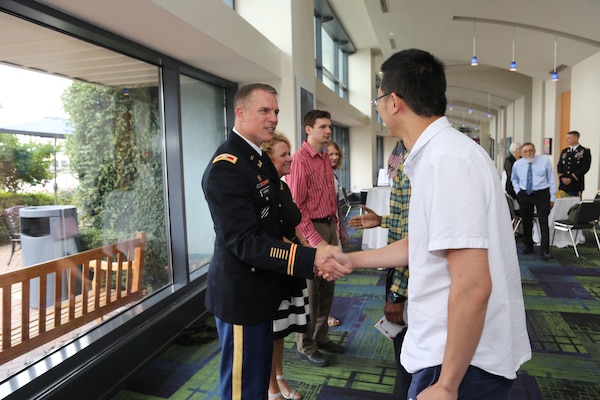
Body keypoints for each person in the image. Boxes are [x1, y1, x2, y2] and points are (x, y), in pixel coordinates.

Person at [335, 49, 531, 400]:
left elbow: (473, 284)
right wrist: (353, 260)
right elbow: (424, 242)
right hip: (451, 348)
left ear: (394, 101)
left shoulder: (446, 161)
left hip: (458, 359)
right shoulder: (441, 154)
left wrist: (446, 385)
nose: (378, 107)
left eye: (378, 98)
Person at [201, 83, 350, 399]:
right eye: (264, 111)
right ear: (240, 113)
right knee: (243, 386)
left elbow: (284, 213)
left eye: (276, 112)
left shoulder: (256, 158)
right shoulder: (226, 168)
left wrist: (319, 245)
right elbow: (246, 242)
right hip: (241, 293)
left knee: (257, 377)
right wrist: (311, 259)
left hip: (262, 286)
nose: (273, 118)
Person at [348, 139, 412, 400]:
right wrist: (381, 221)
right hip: (402, 273)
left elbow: (416, 239)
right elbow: (404, 222)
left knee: (410, 358)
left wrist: (397, 294)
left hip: (409, 279)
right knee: (405, 355)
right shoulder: (404, 153)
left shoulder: (417, 161)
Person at [287, 110, 345, 367]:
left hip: (328, 227)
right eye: (323, 126)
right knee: (311, 292)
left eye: (329, 126)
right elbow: (296, 207)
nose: (328, 131)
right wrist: (314, 240)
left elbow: (330, 199)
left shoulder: (323, 158)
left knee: (327, 287)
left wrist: (338, 229)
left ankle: (321, 337)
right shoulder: (300, 160)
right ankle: (306, 345)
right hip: (310, 231)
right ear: (308, 129)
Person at [262, 133, 307, 400]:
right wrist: (302, 254)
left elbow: (294, 224)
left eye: (290, 153)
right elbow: (268, 234)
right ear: (268, 158)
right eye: (284, 154)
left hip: (291, 264)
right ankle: (270, 388)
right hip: (275, 265)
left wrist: (307, 247)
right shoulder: (264, 190)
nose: (291, 158)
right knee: (272, 330)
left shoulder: (283, 186)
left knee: (282, 331)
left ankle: (279, 378)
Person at [511, 142, 556, 260]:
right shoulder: (517, 164)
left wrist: (552, 198)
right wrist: (518, 192)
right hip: (525, 194)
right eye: (525, 151)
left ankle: (545, 250)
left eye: (530, 150)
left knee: (543, 222)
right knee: (526, 222)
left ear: (534, 151)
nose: (528, 153)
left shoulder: (544, 161)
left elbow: (551, 180)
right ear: (521, 153)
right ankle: (528, 246)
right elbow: (514, 179)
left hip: (542, 193)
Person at [325, 140, 346, 328]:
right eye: (330, 154)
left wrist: (342, 230)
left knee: (332, 276)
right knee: (325, 275)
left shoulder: (334, 176)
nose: (334, 157)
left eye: (336, 154)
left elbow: (337, 207)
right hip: (322, 231)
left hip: (334, 228)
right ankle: (324, 316)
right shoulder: (319, 175)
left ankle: (325, 314)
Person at [557, 130, 592, 197]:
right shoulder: (565, 151)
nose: (567, 140)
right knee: (562, 205)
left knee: (574, 206)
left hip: (576, 184)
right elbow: (560, 165)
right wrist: (562, 177)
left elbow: (585, 167)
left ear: (576, 138)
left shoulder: (584, 151)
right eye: (567, 138)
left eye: (569, 138)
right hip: (563, 185)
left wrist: (571, 178)